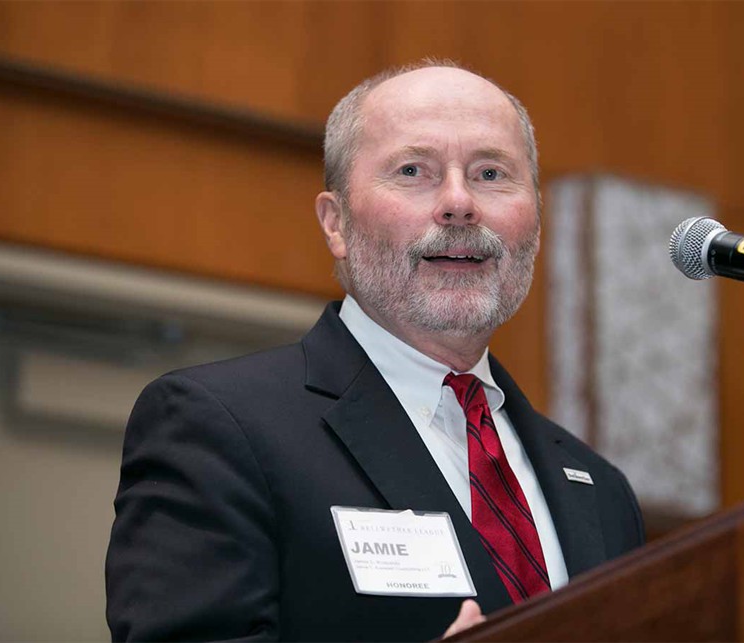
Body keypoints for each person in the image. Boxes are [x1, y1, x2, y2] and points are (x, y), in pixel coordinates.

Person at [106, 61, 645, 642]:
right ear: (335, 223)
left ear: (536, 224)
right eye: (414, 171)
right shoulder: (217, 428)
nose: (460, 204)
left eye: (491, 174)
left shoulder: (601, 488)